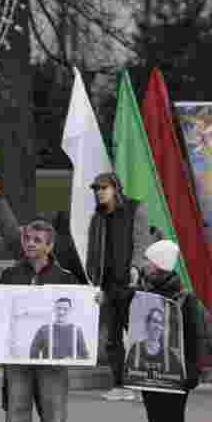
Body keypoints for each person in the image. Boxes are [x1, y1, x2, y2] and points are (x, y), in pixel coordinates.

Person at [0, 173, 83, 422]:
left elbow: (82, 312)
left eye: (37, 241)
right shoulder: (10, 276)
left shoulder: (65, 279)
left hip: (52, 363)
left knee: (55, 420)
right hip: (17, 361)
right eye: (27, 239)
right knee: (16, 418)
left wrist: (96, 301)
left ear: (49, 246)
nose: (29, 244)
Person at [129, 240, 212, 422]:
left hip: (177, 373)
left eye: (148, 260)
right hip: (149, 370)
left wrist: (193, 370)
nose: (144, 265)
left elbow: (196, 336)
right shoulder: (141, 293)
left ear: (159, 265)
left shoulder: (186, 298)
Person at [86, 172, 154, 402]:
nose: (99, 192)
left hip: (132, 284)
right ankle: (120, 385)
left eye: (103, 188)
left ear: (116, 188)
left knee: (140, 336)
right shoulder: (98, 217)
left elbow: (142, 242)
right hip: (107, 286)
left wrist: (136, 267)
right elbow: (93, 251)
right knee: (112, 339)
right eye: (96, 189)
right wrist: (94, 281)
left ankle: (148, 384)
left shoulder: (136, 209)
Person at [124, 306, 185, 378]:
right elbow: (127, 376)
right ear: (147, 324)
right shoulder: (135, 350)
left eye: (161, 323)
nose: (157, 327)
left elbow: (178, 379)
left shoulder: (170, 356)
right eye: (155, 321)